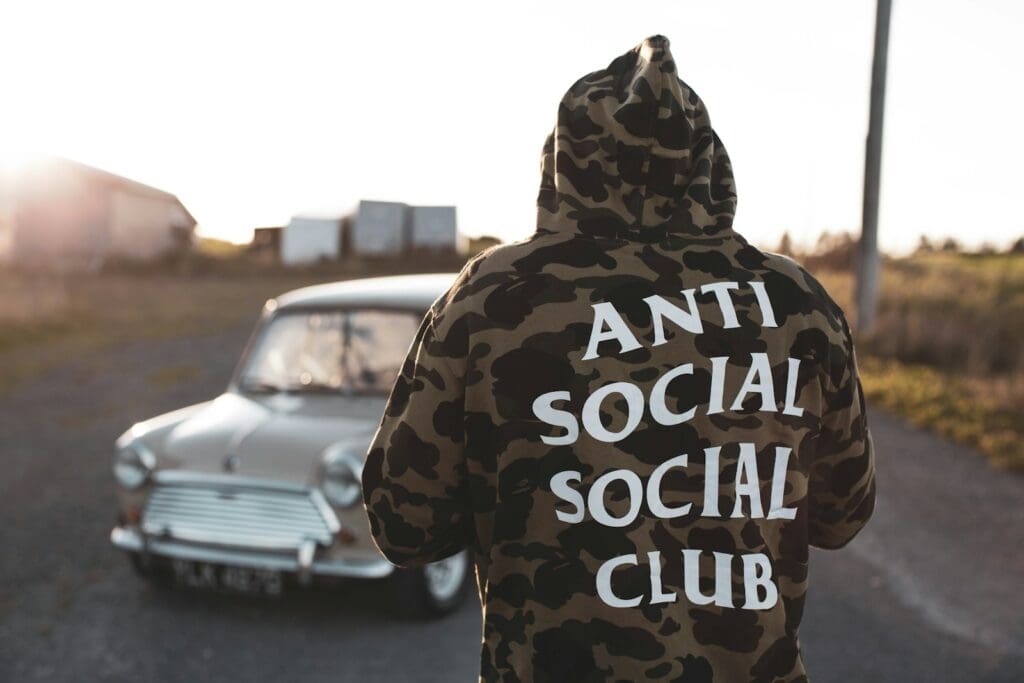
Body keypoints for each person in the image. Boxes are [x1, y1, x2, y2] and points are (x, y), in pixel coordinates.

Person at [362, 34, 876, 682]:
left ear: (564, 164)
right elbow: (842, 515)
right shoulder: (798, 304)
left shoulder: (491, 298)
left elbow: (402, 523)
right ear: (706, 164)